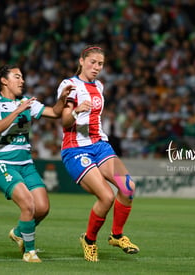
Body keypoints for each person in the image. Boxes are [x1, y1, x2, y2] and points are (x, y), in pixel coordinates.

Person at [56, 45, 139, 262]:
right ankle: (89, 240)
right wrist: (75, 111)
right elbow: (64, 121)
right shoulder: (69, 85)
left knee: (128, 187)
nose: (96, 67)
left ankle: (117, 235)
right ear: (81, 61)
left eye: (100, 63)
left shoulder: (99, 86)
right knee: (106, 196)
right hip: (76, 148)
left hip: (100, 145)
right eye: (92, 62)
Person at [0, 64, 74, 263]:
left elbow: (54, 113)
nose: (22, 80)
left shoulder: (26, 101)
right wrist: (18, 110)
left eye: (22, 77)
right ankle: (30, 252)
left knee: (42, 208)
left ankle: (18, 232)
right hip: (3, 163)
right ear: (4, 80)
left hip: (26, 163)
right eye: (17, 76)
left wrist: (62, 99)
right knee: (28, 205)